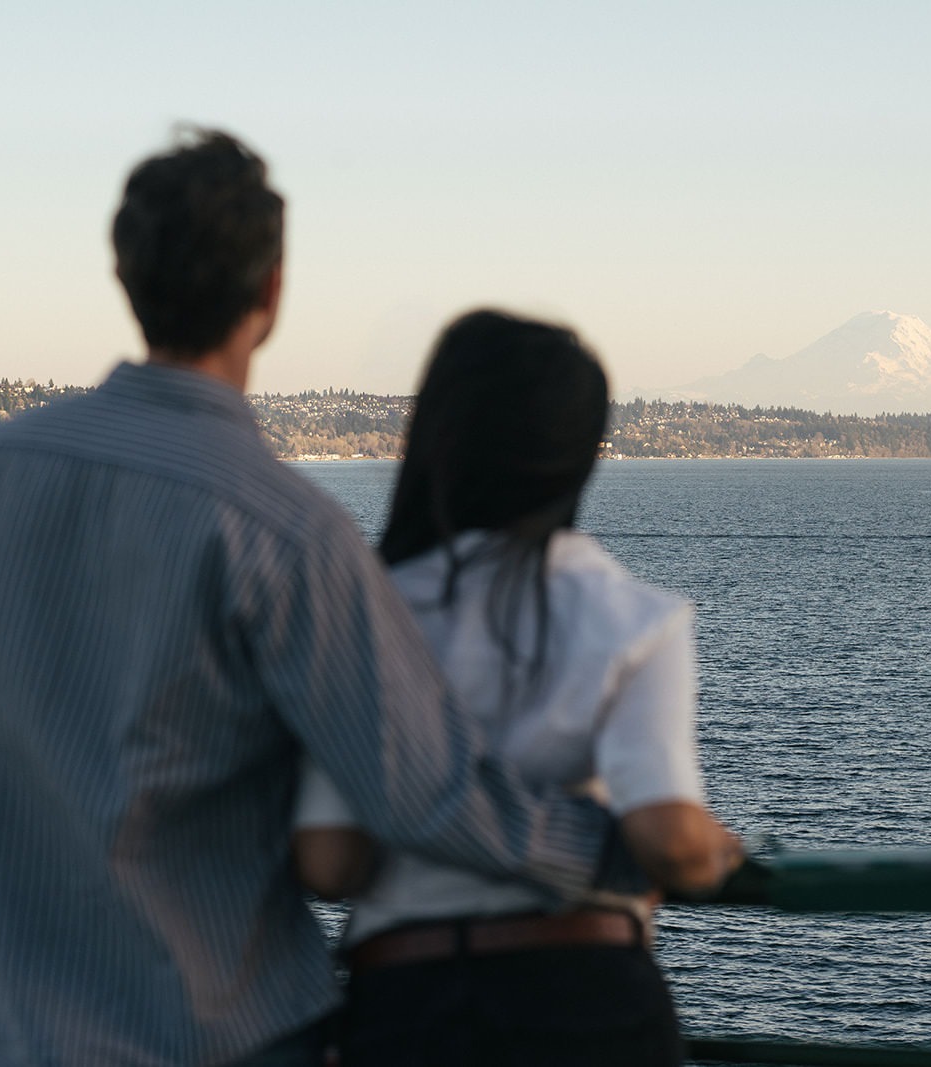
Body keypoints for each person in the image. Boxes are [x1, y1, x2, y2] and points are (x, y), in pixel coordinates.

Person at [0, 129, 702, 1067]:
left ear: (123, 272)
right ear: (272, 293)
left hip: (18, 1038)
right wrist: (615, 854)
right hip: (224, 1038)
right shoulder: (282, 526)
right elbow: (421, 790)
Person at [294, 309, 743, 1066]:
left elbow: (329, 861)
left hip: (407, 1008)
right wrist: (717, 850)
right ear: (578, 454)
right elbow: (671, 842)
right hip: (592, 1001)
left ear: (439, 434)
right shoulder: (636, 619)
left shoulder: (362, 616)